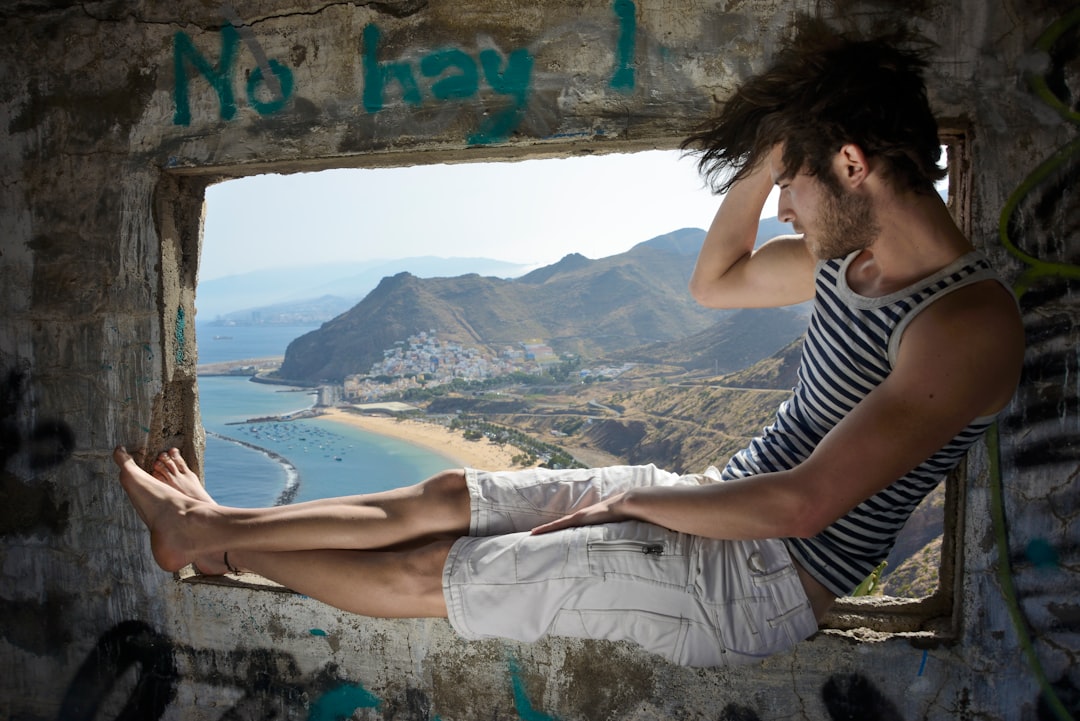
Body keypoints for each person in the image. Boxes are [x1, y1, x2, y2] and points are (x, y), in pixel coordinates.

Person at [113, 24, 1024, 667]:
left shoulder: (966, 325)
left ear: (855, 165)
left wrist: (633, 502)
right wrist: (771, 150)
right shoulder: (843, 256)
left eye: (790, 186)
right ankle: (210, 527)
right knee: (443, 494)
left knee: (437, 571)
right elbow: (715, 278)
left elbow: (803, 503)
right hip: (709, 500)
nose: (781, 207)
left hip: (763, 577)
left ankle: (209, 544)